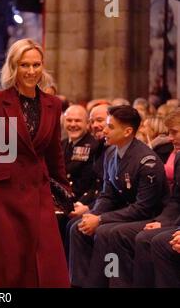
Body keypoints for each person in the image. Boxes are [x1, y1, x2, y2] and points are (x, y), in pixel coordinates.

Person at [0, 38, 70, 287]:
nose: (31, 71)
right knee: (6, 267)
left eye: (36, 65)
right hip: (2, 196)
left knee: (46, 264)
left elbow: (54, 152)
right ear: (13, 67)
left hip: (38, 193)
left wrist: (65, 191)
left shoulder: (53, 104)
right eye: (24, 65)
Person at [68, 105, 168, 287]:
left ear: (128, 131)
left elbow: (143, 208)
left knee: (109, 232)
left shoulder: (147, 161)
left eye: (110, 127)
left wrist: (100, 219)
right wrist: (93, 215)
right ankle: (79, 284)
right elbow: (108, 195)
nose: (104, 130)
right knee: (78, 227)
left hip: (149, 217)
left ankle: (110, 284)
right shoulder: (111, 153)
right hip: (124, 213)